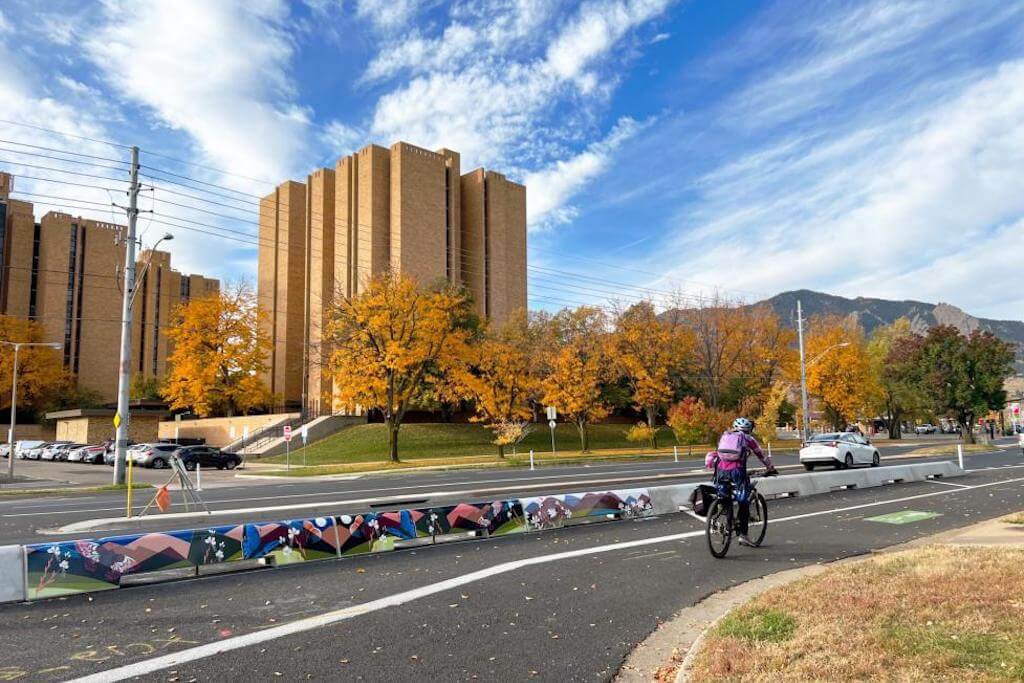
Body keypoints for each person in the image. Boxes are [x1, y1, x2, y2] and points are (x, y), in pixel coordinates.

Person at [705, 417, 778, 546]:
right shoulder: (748, 439)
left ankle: (725, 514)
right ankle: (743, 535)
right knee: (743, 501)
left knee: (725, 496)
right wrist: (770, 468)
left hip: (720, 471)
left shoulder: (725, 435)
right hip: (738, 472)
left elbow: (718, 453)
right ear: (749, 429)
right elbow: (761, 454)